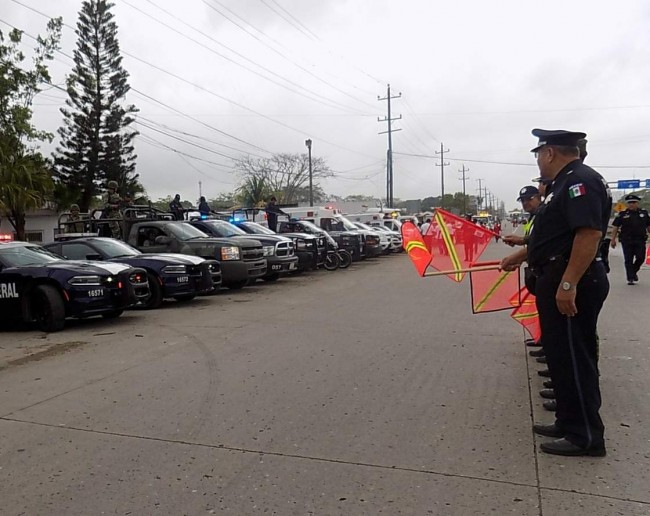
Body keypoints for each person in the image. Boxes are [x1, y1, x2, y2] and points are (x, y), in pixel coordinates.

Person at [501, 128, 611, 457]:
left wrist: (568, 283)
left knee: (575, 358)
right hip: (556, 274)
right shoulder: (563, 183)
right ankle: (568, 420)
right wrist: (520, 256)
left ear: (549, 152)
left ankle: (586, 436)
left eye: (538, 154)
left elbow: (588, 234)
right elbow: (553, 237)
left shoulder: (580, 181)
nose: (538, 161)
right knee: (561, 356)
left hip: (570, 280)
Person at [611, 194, 650, 284]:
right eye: (630, 203)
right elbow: (615, 227)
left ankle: (633, 272)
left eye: (633, 202)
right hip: (626, 240)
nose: (631, 204)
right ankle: (630, 278)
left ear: (637, 203)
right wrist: (613, 239)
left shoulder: (643, 214)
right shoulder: (623, 214)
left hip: (640, 240)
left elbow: (648, 226)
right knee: (628, 259)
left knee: (640, 258)